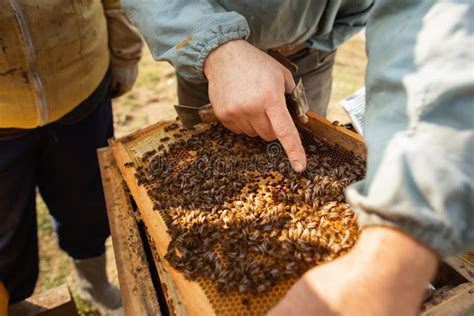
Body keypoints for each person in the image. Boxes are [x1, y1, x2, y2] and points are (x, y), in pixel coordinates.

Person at [122, 0, 473, 315]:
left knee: (301, 143)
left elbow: (435, 18)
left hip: (311, 50)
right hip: (211, 57)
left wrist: (396, 249)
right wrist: (213, 46)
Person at [0, 0, 143, 314]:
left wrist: (124, 46)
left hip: (81, 82)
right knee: (4, 237)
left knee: (89, 207)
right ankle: (14, 304)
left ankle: (96, 286)